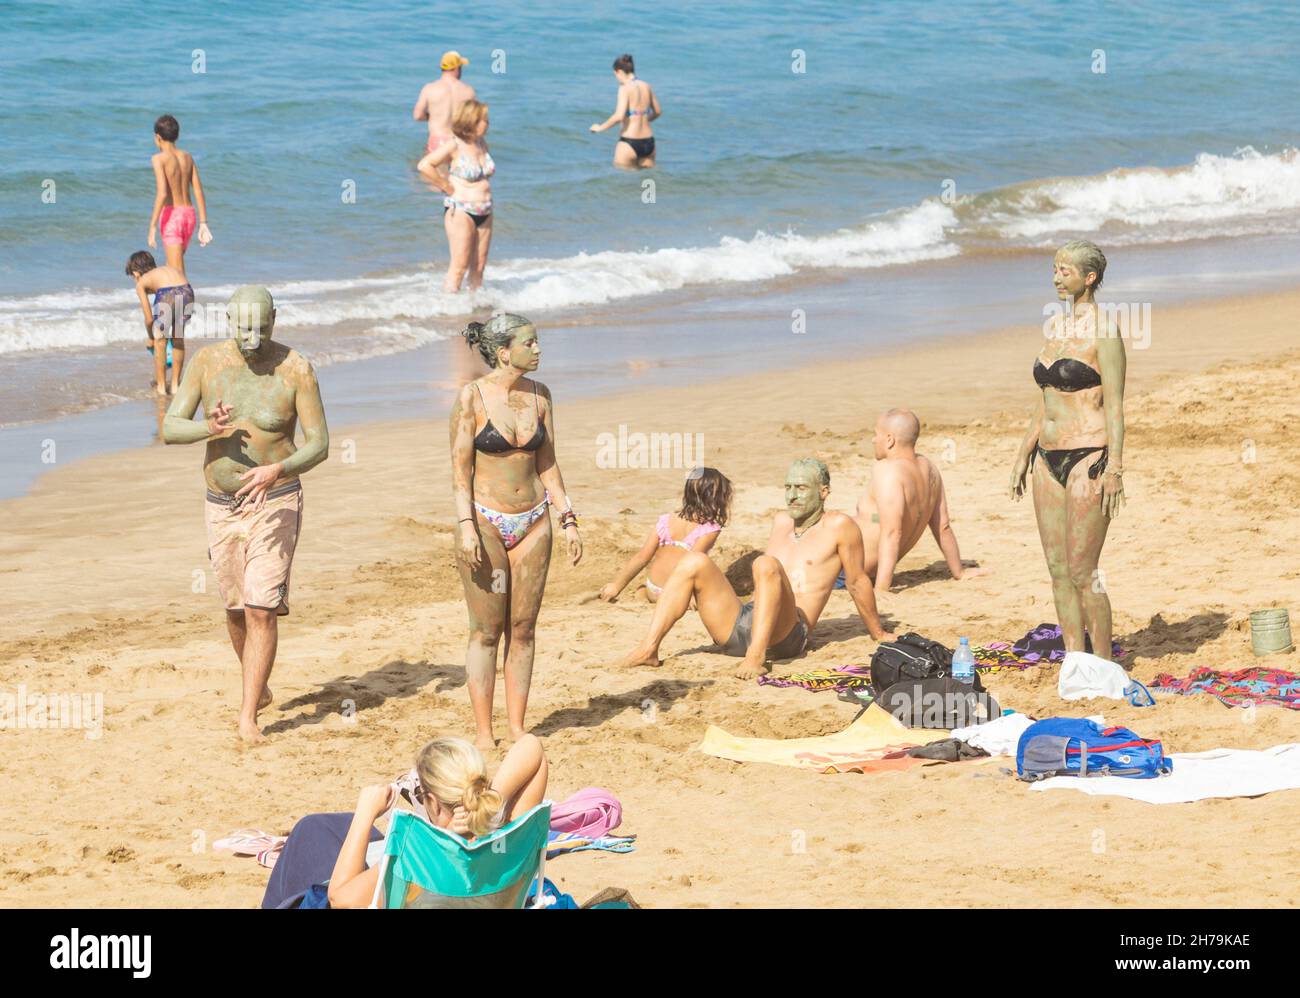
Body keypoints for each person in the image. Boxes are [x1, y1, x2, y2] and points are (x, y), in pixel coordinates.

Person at [162, 286, 329, 742]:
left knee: (261, 608)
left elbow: (319, 445)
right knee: (235, 610)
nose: (251, 337)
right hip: (221, 503)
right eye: (242, 328)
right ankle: (260, 687)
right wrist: (207, 428)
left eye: (260, 327)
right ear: (228, 322)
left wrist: (277, 469)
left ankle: (247, 715)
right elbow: (170, 428)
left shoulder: (296, 369)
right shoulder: (207, 363)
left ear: (275, 319)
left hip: (276, 500)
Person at [618, 458, 893, 679]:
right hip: (742, 624)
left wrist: (877, 632)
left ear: (823, 492)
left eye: (801, 488)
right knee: (693, 561)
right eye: (787, 488)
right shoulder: (781, 521)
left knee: (765, 563)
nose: (792, 496)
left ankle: (756, 657)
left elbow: (856, 581)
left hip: (787, 634)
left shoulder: (839, 526)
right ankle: (649, 648)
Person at [450, 314, 582, 749]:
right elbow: (460, 472)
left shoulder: (541, 396)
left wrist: (568, 518)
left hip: (534, 521)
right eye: (531, 342)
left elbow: (547, 463)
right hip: (486, 519)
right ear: (505, 351)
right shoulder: (471, 398)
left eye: (538, 341)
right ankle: (485, 732)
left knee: (523, 628)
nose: (539, 349)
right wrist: (466, 525)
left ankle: (517, 727)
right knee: (486, 631)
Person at [261, 734, 548, 909]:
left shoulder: (419, 855)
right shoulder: (507, 840)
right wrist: (491, 803)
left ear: (433, 802)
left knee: (310, 831)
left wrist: (365, 813)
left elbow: (340, 899)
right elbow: (533, 747)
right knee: (326, 828)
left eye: (420, 794)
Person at [1010, 239, 1126, 656]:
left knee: (1083, 570)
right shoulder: (1056, 328)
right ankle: (1075, 661)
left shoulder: (1105, 330)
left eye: (1065, 271)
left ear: (1089, 278)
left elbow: (1114, 404)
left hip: (1089, 456)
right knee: (1058, 569)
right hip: (1047, 457)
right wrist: (1024, 452)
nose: (1056, 278)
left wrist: (1115, 467)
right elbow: (1046, 399)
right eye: (1055, 270)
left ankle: (1104, 663)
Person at [855, 408, 988, 593]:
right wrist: (959, 572)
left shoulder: (888, 471)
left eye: (875, 434)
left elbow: (893, 532)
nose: (872, 439)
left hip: (845, 570)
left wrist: (881, 589)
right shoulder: (930, 469)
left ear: (890, 439)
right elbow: (943, 527)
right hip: (870, 570)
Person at [599, 468, 732, 603]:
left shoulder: (666, 520)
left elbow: (642, 557)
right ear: (716, 499)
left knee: (648, 581)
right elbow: (689, 565)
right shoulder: (710, 529)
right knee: (711, 575)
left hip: (654, 589)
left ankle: (643, 592)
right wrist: (691, 596)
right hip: (676, 594)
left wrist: (616, 586)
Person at [418, 100, 495, 292]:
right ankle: (449, 310)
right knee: (459, 267)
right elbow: (425, 165)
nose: (488, 123)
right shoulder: (454, 145)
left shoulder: (482, 143)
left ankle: (473, 309)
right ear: (472, 121)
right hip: (461, 210)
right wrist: (446, 186)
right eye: (484, 120)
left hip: (485, 210)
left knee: (479, 266)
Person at [146, 114, 212, 278]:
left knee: (177, 273)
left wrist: (152, 226)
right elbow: (198, 190)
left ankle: (185, 303)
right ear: (177, 135)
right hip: (189, 216)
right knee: (173, 266)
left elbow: (162, 193)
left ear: (158, 137)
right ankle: (169, 302)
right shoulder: (187, 157)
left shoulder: (158, 159)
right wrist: (204, 223)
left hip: (172, 218)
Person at [125, 250, 192, 396]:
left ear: (136, 274)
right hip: (187, 291)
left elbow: (149, 319)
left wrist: (151, 337)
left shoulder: (141, 282)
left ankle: (161, 387)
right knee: (178, 339)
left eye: (133, 277)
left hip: (167, 295)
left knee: (160, 340)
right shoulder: (164, 270)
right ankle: (175, 386)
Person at [589, 53, 661, 169]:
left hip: (629, 142)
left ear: (620, 72)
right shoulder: (646, 86)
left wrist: (599, 128)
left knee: (624, 185)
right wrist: (643, 119)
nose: (616, 78)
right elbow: (658, 111)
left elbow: (619, 116)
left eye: (615, 74)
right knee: (648, 184)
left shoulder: (624, 88)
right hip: (649, 143)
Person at [412, 50, 476, 164]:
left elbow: (417, 116)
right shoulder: (468, 90)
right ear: (456, 68)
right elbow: (474, 120)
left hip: (438, 141)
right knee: (456, 179)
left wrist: (431, 116)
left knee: (433, 177)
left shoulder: (430, 88)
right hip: (459, 142)